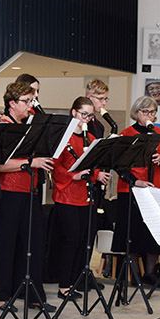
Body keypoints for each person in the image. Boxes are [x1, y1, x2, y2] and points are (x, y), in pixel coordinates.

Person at [0, 81, 54, 311]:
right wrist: (31, 162)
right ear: (12, 103)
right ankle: (1, 295)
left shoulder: (29, 126)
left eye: (31, 101)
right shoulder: (3, 126)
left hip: (30, 190)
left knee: (34, 243)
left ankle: (34, 294)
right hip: (8, 192)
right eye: (26, 101)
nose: (30, 105)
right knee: (6, 244)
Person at [49, 97, 111, 299]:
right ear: (74, 112)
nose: (86, 119)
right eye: (83, 114)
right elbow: (55, 167)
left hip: (86, 196)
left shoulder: (90, 139)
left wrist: (98, 174)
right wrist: (72, 175)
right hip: (67, 195)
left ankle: (76, 280)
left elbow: (92, 165)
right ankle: (64, 285)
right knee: (71, 240)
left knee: (84, 240)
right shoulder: (63, 137)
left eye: (90, 115)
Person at [112, 95, 160, 278]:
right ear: (136, 112)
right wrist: (135, 181)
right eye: (145, 112)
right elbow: (118, 164)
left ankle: (150, 274)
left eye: (152, 112)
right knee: (132, 235)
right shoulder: (126, 134)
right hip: (130, 190)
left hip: (153, 189)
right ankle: (135, 275)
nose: (149, 116)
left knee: (153, 235)